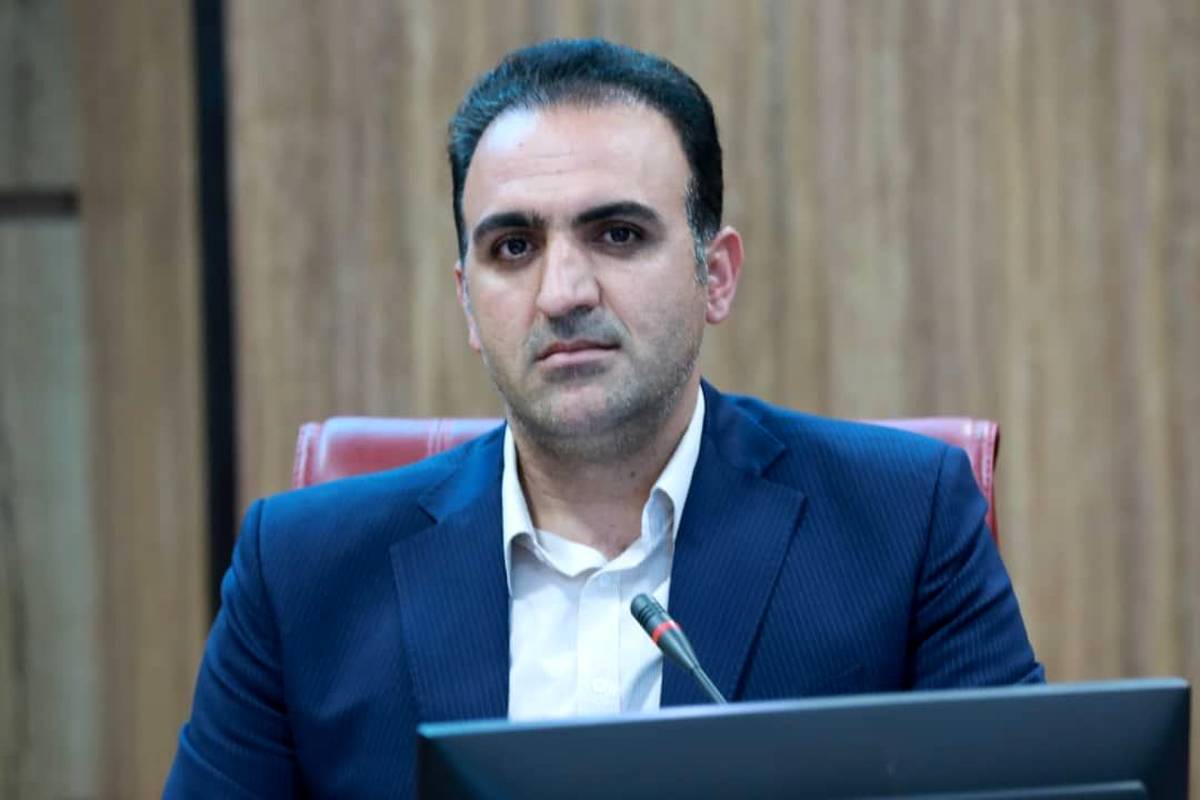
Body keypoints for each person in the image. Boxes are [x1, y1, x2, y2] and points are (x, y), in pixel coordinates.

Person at [165, 38, 1042, 798]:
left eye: (617, 234)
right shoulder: (301, 573)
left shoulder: (904, 522)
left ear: (715, 275)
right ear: (468, 301)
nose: (563, 292)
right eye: (514, 247)